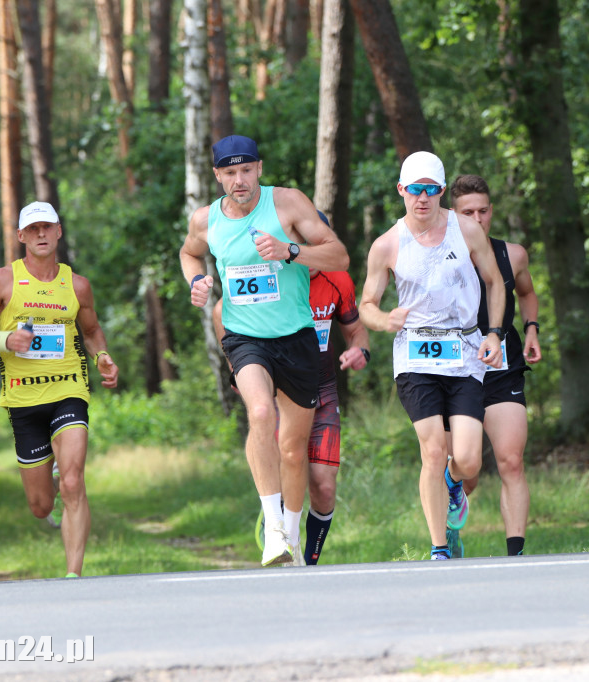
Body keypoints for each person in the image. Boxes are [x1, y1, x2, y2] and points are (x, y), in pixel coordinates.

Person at [180, 134, 349, 567]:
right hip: (244, 337)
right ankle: (272, 527)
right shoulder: (205, 220)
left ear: (259, 169)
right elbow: (189, 253)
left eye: (246, 170)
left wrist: (292, 251)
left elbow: (339, 256)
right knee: (259, 414)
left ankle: (289, 539)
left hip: (296, 336)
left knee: (293, 449)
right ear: (218, 176)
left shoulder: (289, 203)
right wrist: (197, 281)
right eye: (230, 173)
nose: (240, 180)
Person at [358, 151, 505, 560]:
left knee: (470, 459)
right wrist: (384, 319)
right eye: (414, 189)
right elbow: (366, 303)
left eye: (431, 190)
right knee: (432, 449)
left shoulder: (467, 231)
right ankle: (439, 547)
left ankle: (455, 484)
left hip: (463, 351)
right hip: (415, 354)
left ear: (441, 191)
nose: (422, 198)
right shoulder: (387, 244)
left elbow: (494, 282)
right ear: (401, 190)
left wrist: (493, 333)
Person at [0, 201, 119, 578]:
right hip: (22, 399)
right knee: (40, 506)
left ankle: (73, 576)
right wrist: (5, 341)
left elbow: (92, 330)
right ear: (21, 236)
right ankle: (48, 485)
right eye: (33, 229)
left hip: (68, 390)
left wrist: (102, 358)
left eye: (48, 227)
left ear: (59, 231)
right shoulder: (2, 281)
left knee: (73, 479)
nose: (42, 234)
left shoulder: (77, 285)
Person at [213, 212, 371, 566]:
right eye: (301, 240)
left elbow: (356, 329)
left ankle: (304, 557)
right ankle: (275, 519)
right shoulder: (273, 272)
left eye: (317, 240)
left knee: (324, 486)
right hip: (279, 384)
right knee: (282, 455)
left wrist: (360, 350)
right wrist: (237, 367)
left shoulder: (338, 280)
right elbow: (224, 310)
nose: (310, 248)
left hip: (322, 384)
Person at [449, 174, 542, 557]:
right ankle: (450, 512)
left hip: (502, 368)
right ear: (452, 215)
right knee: (465, 471)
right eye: (467, 212)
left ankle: (515, 554)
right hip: (452, 371)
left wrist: (532, 328)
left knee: (511, 460)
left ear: (491, 212)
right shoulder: (435, 255)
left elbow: (527, 291)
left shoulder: (513, 254)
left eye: (482, 211)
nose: (477, 218)